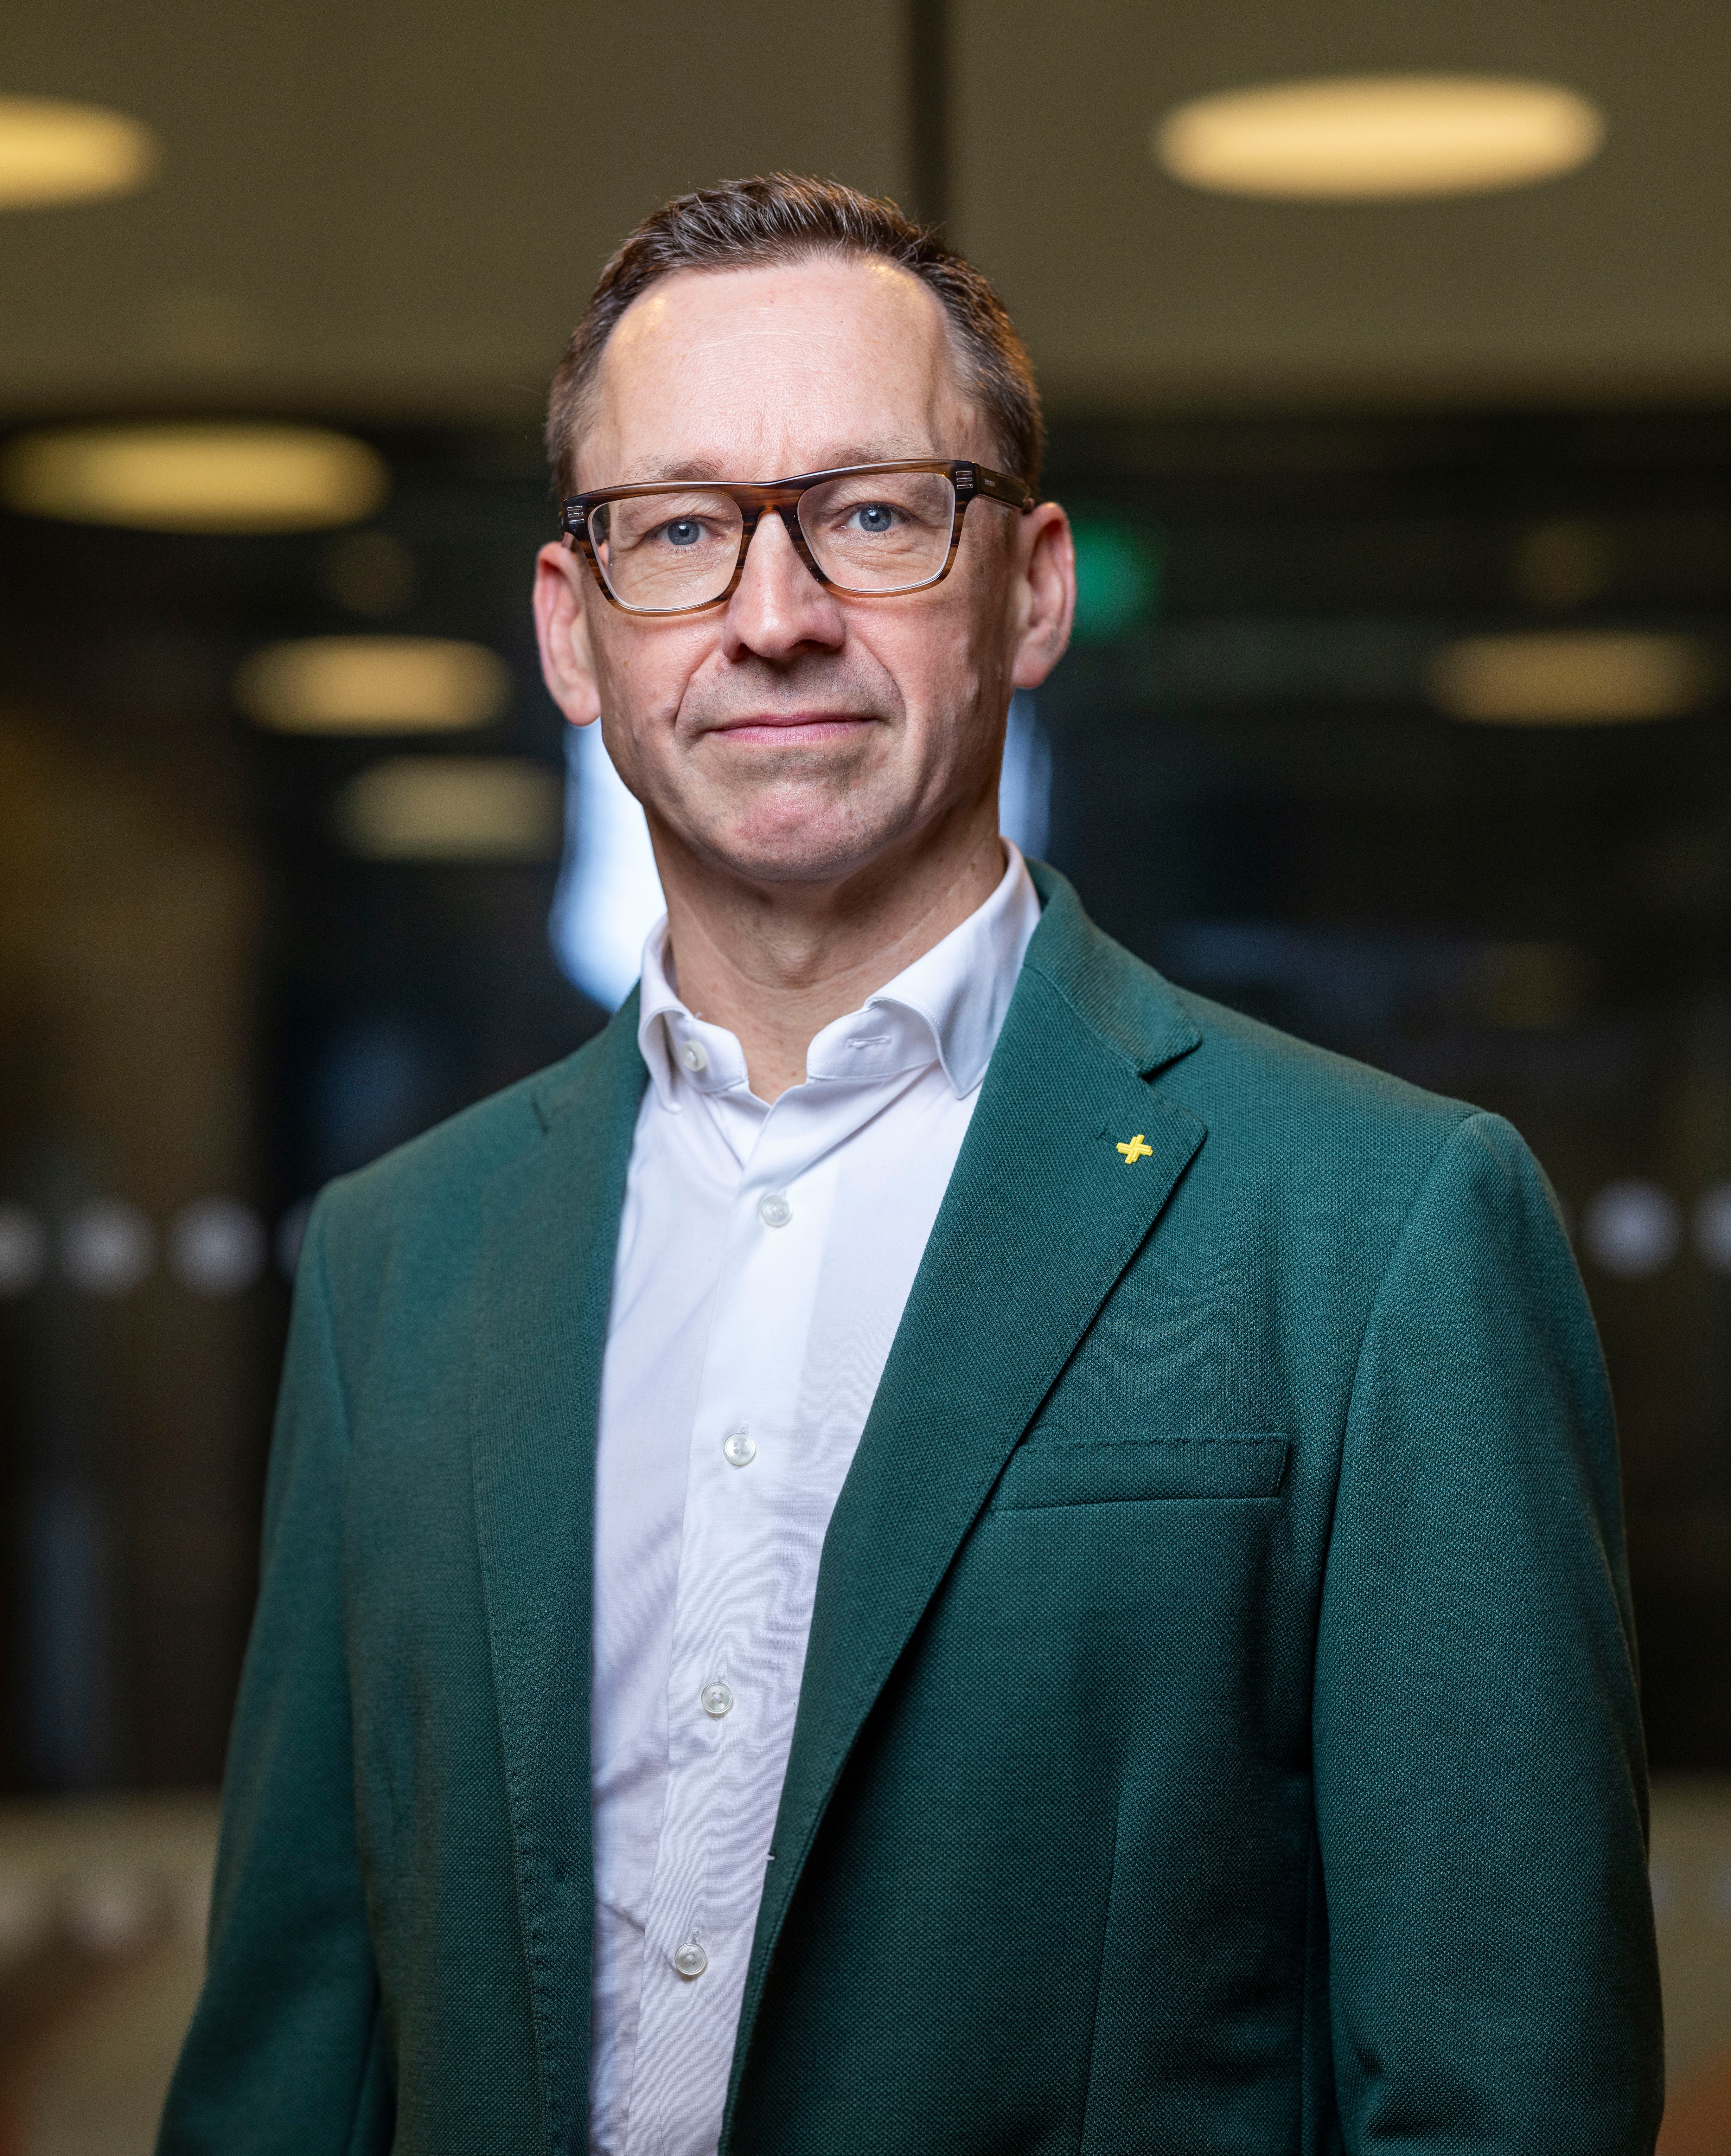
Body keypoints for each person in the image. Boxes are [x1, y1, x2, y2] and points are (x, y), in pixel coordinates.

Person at [158, 175, 1662, 2156]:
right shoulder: (398, 1263)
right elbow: (292, 2063)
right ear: (572, 628)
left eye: (868, 513)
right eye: (680, 530)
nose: (771, 618)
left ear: (1028, 586)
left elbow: (1505, 2100)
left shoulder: (1377, 1232)